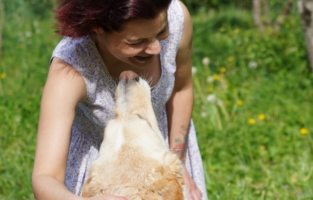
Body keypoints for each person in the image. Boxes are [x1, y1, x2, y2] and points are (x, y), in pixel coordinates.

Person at [31, 0, 207, 199]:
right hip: (101, 172)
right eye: (136, 41)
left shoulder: (174, 16)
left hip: (161, 158)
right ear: (97, 27)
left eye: (161, 32)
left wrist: (177, 162)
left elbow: (181, 89)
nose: (156, 48)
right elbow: (45, 176)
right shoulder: (71, 68)